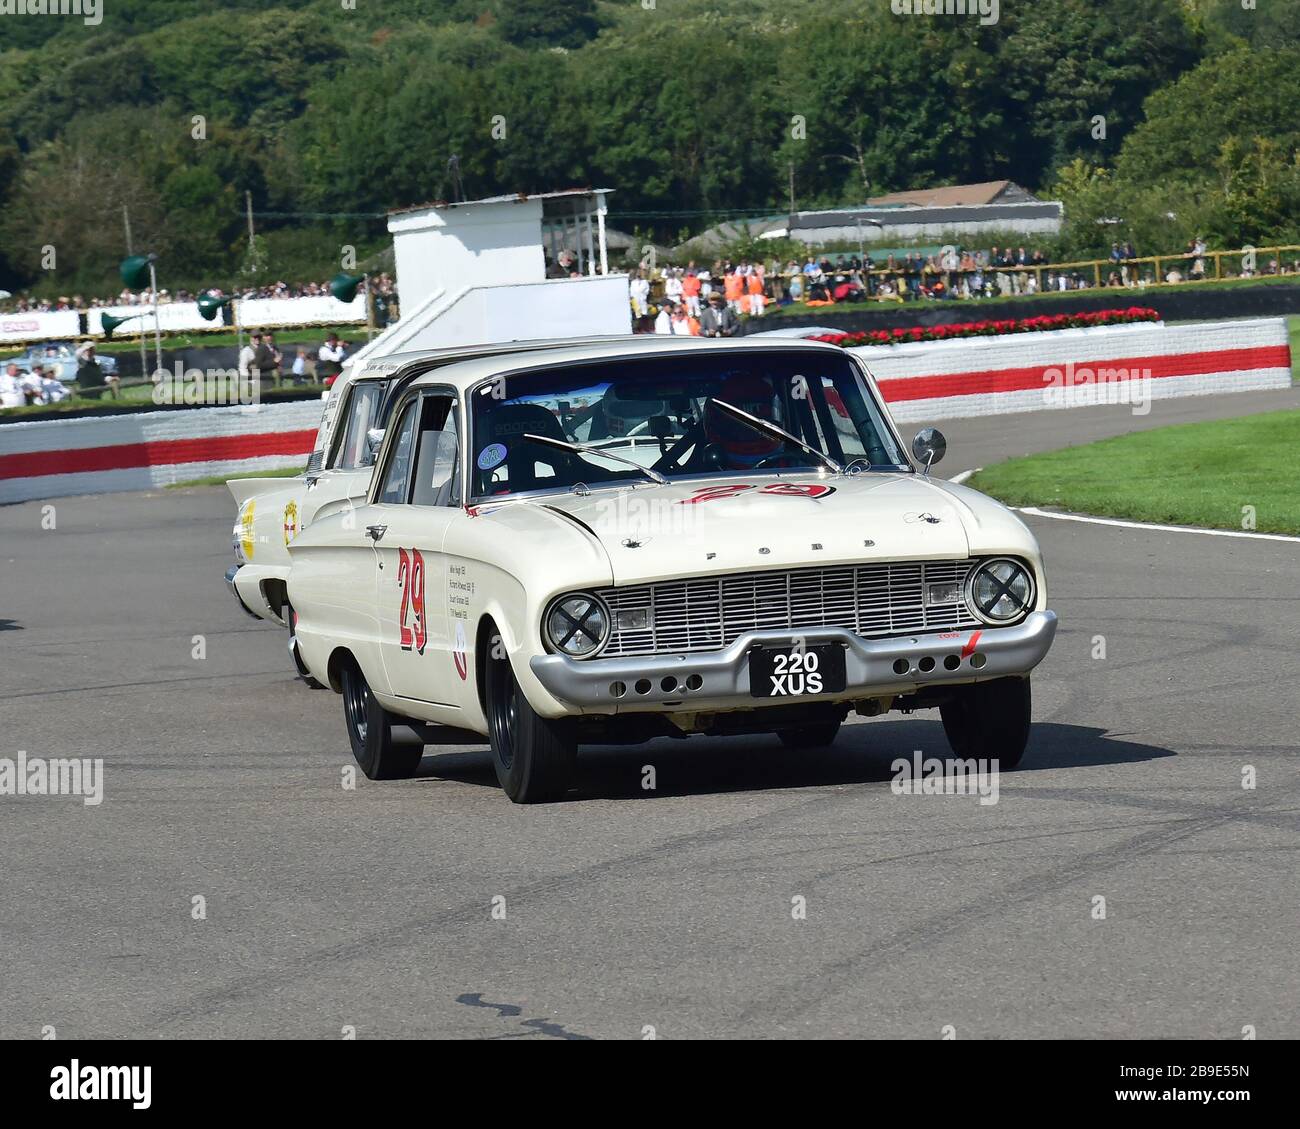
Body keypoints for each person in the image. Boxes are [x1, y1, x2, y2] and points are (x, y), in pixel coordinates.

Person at [702, 373, 783, 470]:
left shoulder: (797, 463)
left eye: (763, 422)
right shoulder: (700, 476)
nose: (751, 430)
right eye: (741, 424)